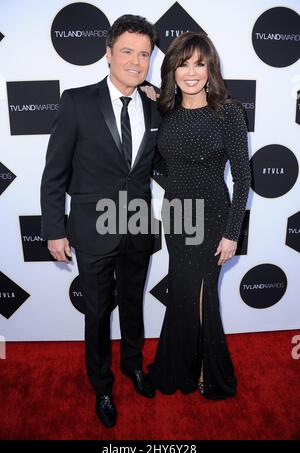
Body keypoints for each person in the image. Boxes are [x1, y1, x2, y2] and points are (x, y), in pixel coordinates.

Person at [40, 15, 164, 428]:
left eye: (144, 53)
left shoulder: (155, 106)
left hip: (139, 224)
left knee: (132, 303)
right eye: (127, 51)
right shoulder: (77, 101)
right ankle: (103, 385)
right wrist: (54, 229)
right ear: (108, 54)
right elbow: (54, 172)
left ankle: (133, 365)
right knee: (97, 312)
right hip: (92, 229)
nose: (135, 61)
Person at [147, 32, 252, 400]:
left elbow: (243, 177)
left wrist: (232, 232)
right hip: (176, 216)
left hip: (213, 218)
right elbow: (158, 163)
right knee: (181, 294)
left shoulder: (228, 112)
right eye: (183, 63)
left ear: (211, 68)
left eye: (200, 63)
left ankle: (212, 376)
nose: (191, 72)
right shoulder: (165, 111)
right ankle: (178, 369)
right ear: (172, 69)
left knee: (203, 295)